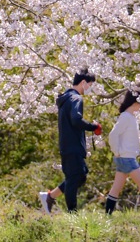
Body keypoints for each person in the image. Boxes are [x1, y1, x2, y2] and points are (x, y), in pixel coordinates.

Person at [39, 68, 102, 213]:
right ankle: (72, 215)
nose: (90, 89)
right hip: (73, 146)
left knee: (80, 176)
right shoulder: (76, 98)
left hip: (67, 145)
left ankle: (50, 197)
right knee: (75, 178)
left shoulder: (66, 98)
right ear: (84, 82)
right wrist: (93, 127)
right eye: (90, 85)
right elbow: (76, 119)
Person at [104, 89, 140, 215]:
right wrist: (117, 151)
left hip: (124, 157)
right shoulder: (126, 117)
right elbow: (113, 134)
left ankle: (107, 215)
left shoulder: (129, 117)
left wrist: (118, 153)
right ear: (135, 101)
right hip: (127, 158)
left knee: (116, 188)